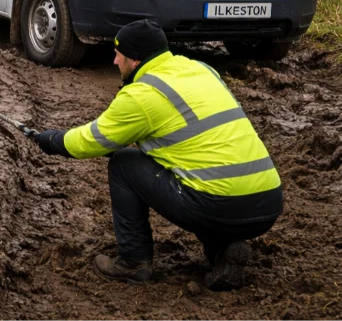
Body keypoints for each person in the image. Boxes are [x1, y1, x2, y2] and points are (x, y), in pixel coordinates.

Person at [33, 20, 283, 289]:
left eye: (119, 54)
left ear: (135, 59)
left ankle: (133, 262)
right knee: (196, 168)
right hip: (267, 204)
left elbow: (92, 141)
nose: (115, 61)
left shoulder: (141, 94)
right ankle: (223, 252)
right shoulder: (201, 68)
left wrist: (51, 140)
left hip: (216, 205)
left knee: (124, 165)